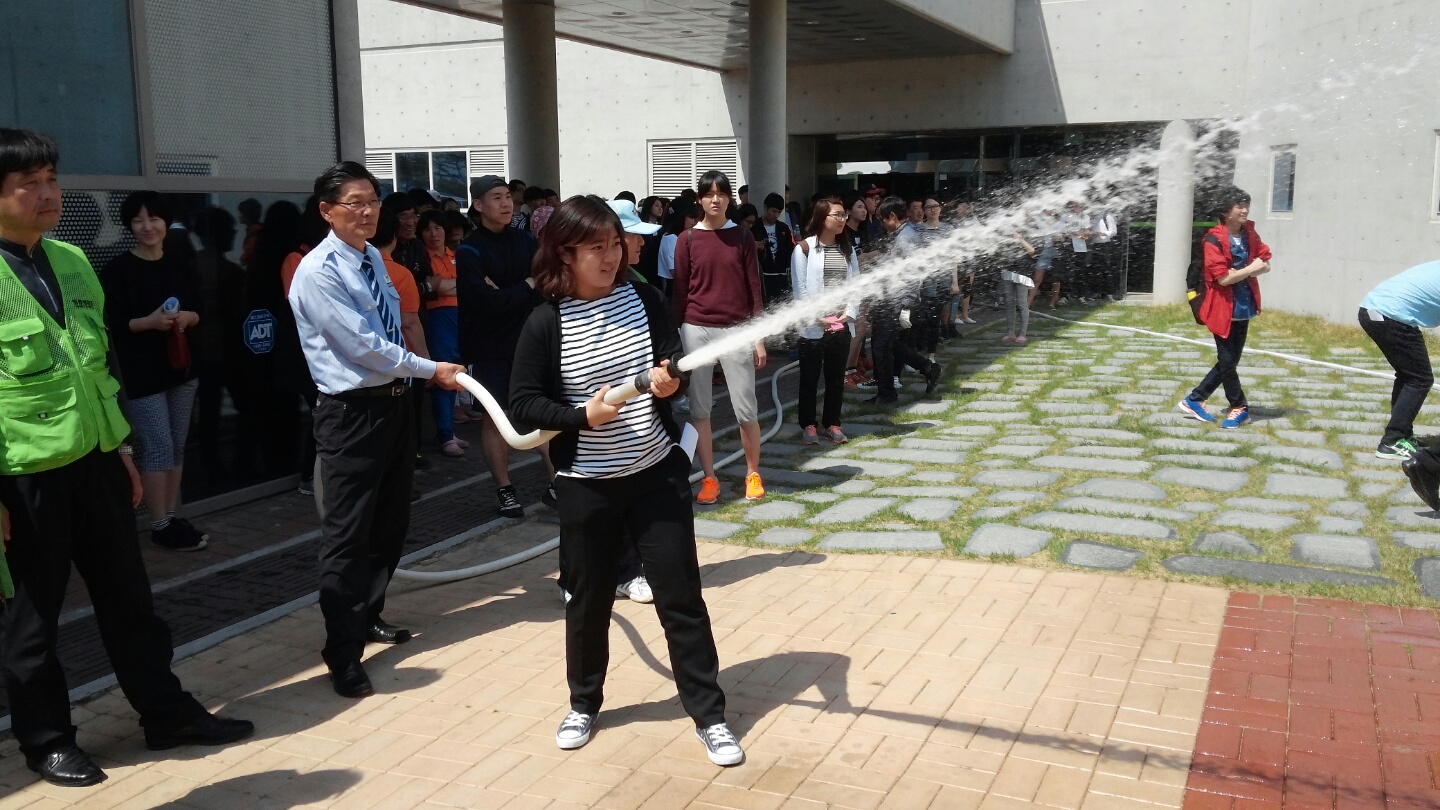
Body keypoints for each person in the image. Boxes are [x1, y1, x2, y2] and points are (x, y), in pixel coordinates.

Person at [0, 128, 252, 787]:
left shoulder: (72, 261)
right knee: (32, 620)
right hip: (23, 479)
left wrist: (122, 452)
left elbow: (100, 369)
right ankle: (47, 741)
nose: (48, 193)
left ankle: (165, 713)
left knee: (130, 600)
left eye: (52, 179)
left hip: (98, 462)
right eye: (29, 184)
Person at [509, 195, 742, 767]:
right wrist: (579, 416)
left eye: (616, 243)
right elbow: (524, 404)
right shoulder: (545, 322)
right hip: (586, 485)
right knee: (587, 602)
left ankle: (709, 715)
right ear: (565, 253)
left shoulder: (644, 298)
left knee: (680, 596)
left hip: (655, 476)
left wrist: (668, 381)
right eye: (597, 247)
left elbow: (669, 360)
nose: (612, 256)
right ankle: (584, 704)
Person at [287, 162, 467, 698]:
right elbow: (362, 347)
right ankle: (342, 653)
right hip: (351, 415)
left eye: (373, 201)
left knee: (389, 524)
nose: (368, 212)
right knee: (348, 536)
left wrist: (419, 374)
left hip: (394, 406)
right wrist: (429, 368)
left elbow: (393, 329)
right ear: (327, 211)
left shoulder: (371, 258)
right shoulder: (318, 271)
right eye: (355, 203)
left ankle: (368, 616)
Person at [102, 191, 209, 551]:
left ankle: (171, 516)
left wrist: (188, 317)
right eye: (138, 220)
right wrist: (147, 322)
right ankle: (159, 524)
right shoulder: (117, 270)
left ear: (166, 222)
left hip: (182, 367)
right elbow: (111, 325)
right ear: (129, 226)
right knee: (157, 446)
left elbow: (199, 309)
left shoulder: (180, 263)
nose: (147, 227)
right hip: (141, 374)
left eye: (154, 218)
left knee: (176, 444)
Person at [456, 175, 556, 516]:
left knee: (542, 410)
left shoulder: (527, 240)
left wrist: (511, 291)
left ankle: (558, 482)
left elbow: (543, 285)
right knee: (495, 417)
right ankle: (505, 489)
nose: (505, 203)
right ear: (478, 205)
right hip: (487, 344)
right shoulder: (469, 250)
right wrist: (524, 286)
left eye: (508, 196)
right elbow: (488, 303)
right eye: (496, 197)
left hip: (528, 340)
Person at [671, 171, 767, 504]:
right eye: (709, 194)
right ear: (699, 199)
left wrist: (758, 336)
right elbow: (680, 291)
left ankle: (752, 473)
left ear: (729, 198)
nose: (715, 199)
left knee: (746, 409)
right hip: (695, 327)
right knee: (699, 409)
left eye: (722, 193)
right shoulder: (686, 239)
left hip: (737, 329)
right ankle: (709, 478)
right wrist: (675, 339)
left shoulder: (742, 236)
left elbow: (754, 288)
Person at [1177, 187, 1271, 430]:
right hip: (1221, 307)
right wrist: (1251, 269)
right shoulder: (1213, 239)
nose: (1245, 210)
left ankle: (1196, 398)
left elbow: (1266, 262)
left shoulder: (1249, 233)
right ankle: (1239, 406)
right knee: (1228, 361)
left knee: (1230, 359)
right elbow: (1223, 279)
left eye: (1246, 204)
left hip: (1244, 305)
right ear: (1225, 211)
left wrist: (1245, 271)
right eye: (1239, 205)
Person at [791, 197, 859, 444]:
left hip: (840, 322)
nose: (842, 219)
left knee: (835, 378)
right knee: (809, 378)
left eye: (843, 215)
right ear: (822, 218)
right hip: (813, 325)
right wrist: (815, 317)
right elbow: (799, 290)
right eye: (837, 215)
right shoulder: (804, 249)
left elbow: (856, 284)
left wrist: (849, 311)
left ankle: (833, 423)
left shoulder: (847, 250)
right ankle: (808, 424)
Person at [1357, 261, 1440, 460]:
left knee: (1408, 376)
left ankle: (1403, 436)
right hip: (1390, 315)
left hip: (1374, 310)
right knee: (1419, 379)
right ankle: (1392, 441)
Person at [865, 196, 943, 403]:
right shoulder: (901, 235)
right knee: (890, 344)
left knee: (881, 346)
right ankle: (928, 368)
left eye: (882, 219)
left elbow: (914, 272)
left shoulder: (905, 237)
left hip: (898, 301)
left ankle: (887, 393)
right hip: (890, 299)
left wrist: (906, 306)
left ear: (892, 216)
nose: (881, 223)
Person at [417, 210, 465, 457]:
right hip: (437, 318)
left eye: (438, 228)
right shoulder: (421, 258)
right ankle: (445, 434)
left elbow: (472, 284)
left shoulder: (457, 255)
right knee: (442, 374)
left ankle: (449, 432)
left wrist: (444, 286)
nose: (433, 234)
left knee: (455, 372)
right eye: (427, 229)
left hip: (460, 317)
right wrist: (458, 286)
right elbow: (429, 288)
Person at [753, 192, 794, 305]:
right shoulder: (755, 227)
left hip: (782, 276)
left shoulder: (783, 228)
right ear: (765, 208)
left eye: (779, 212)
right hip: (763, 276)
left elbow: (789, 250)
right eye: (774, 211)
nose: (776, 215)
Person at [1002, 231, 1037, 344]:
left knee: (1022, 304)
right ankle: (1011, 333)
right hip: (1008, 272)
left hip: (1022, 274)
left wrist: (1021, 240)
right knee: (1009, 304)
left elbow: (1031, 251)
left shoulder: (1028, 233)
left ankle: (1022, 334)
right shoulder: (1005, 234)